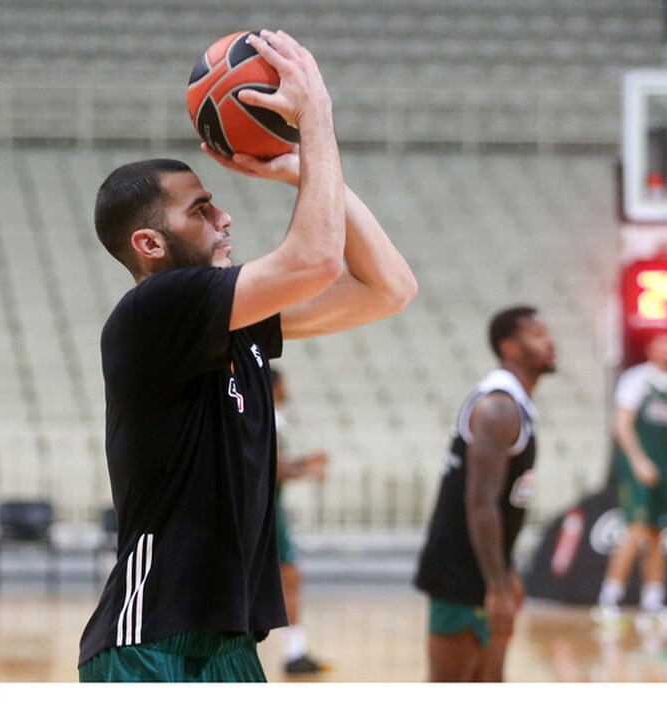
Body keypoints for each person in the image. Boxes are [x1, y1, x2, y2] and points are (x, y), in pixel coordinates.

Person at [77, 29, 417, 683]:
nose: (225, 216)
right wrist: (314, 121)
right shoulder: (155, 310)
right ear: (149, 242)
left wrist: (299, 167)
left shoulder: (235, 324)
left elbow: (390, 288)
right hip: (150, 638)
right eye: (202, 209)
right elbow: (316, 259)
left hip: (228, 643)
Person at [414, 306, 558, 682]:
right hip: (459, 572)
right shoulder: (498, 407)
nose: (550, 342)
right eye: (537, 334)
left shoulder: (516, 405)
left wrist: (506, 572)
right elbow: (481, 502)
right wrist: (497, 586)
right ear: (509, 347)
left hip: (487, 569)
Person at [593, 328, 667, 633]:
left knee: (658, 533)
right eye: (663, 344)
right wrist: (639, 461)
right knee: (636, 528)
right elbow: (622, 425)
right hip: (636, 467)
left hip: (665, 467)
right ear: (651, 349)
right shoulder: (636, 379)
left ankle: (653, 601)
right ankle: (608, 600)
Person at [270, 367, 331, 675]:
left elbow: (274, 464)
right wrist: (308, 471)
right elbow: (274, 470)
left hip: (265, 508)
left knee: (288, 578)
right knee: (290, 576)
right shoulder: (270, 416)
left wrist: (305, 462)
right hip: (266, 510)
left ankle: (296, 650)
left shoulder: (265, 415)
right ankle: (294, 653)